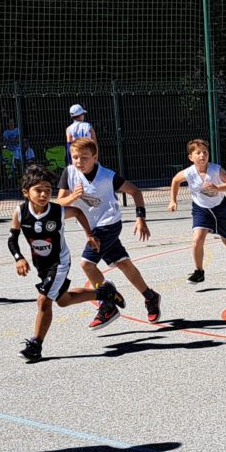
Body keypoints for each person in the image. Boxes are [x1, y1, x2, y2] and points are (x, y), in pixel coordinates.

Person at [8, 166, 125, 363]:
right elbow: (12, 239)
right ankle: (105, 293)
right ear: (26, 192)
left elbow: (78, 212)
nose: (44, 194)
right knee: (63, 300)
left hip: (59, 262)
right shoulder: (20, 212)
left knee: (44, 300)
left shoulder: (56, 211)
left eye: (47, 190)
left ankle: (35, 346)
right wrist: (18, 257)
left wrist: (89, 234)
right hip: (41, 265)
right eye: (38, 190)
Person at [55, 137, 162, 324]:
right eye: (75, 157)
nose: (79, 161)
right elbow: (59, 203)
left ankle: (107, 303)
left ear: (95, 157)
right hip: (92, 226)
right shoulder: (69, 173)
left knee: (87, 264)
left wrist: (140, 218)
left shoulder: (107, 176)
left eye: (84, 158)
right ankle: (150, 296)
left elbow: (135, 192)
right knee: (123, 264)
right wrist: (72, 197)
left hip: (108, 224)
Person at [169, 138, 226, 285]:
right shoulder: (189, 173)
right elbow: (175, 180)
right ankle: (199, 272)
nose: (202, 155)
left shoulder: (215, 170)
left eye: (205, 152)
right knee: (197, 239)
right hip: (201, 209)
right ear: (191, 157)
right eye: (198, 153)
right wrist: (173, 200)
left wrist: (217, 188)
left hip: (220, 208)